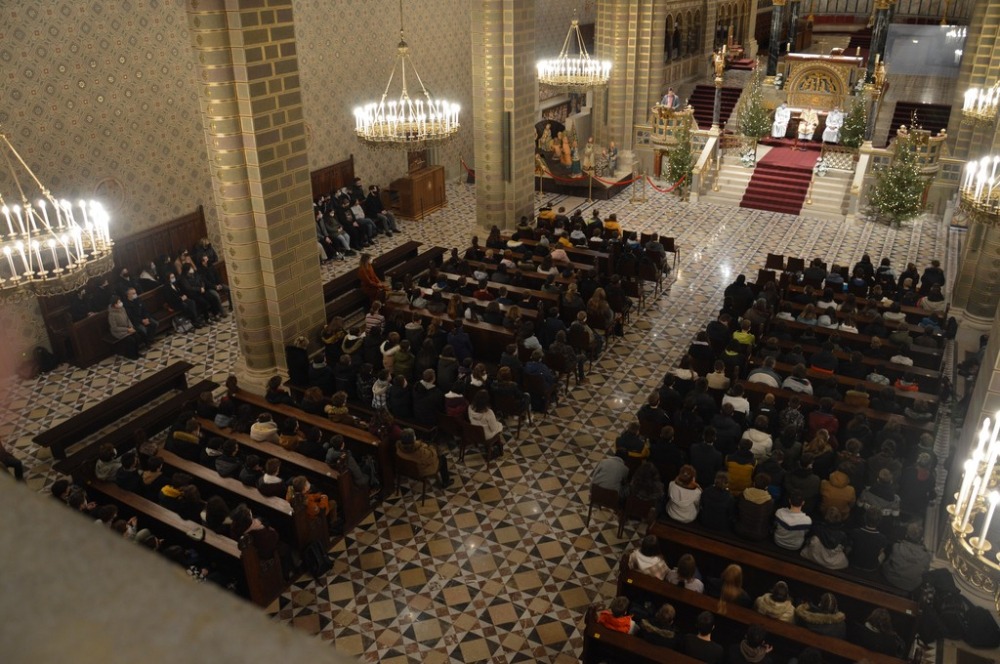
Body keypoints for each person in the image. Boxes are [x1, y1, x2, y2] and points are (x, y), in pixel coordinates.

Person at [881, 522, 932, 592]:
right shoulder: (926, 556)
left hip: (891, 579)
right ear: (921, 538)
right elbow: (925, 572)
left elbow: (889, 561)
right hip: (910, 586)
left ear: (906, 535)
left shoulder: (897, 547)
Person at [107, 294, 142, 359]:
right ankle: (131, 355)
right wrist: (127, 330)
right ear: (115, 305)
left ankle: (136, 352)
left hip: (128, 328)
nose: (121, 303)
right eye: (119, 302)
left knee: (137, 336)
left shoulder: (122, 309)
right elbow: (114, 328)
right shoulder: (111, 315)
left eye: (120, 301)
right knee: (131, 340)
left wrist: (131, 327)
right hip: (119, 332)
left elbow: (127, 319)